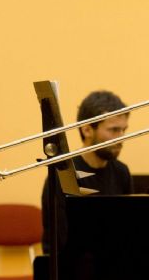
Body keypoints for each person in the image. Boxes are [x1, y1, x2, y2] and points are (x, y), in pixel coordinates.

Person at [42, 90, 133, 252]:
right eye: (113, 130)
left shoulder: (122, 172)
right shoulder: (63, 174)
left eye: (123, 130)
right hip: (73, 270)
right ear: (87, 130)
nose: (121, 138)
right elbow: (58, 240)